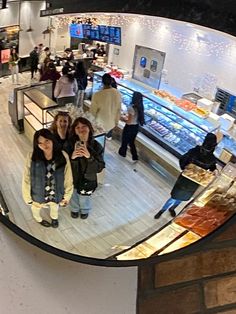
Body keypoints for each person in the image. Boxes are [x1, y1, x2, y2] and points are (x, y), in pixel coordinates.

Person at [154, 133, 218, 219]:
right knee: (176, 197)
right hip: (192, 180)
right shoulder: (211, 158)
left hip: (190, 179)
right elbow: (212, 167)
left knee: (179, 197)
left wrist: (185, 168)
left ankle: (170, 209)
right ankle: (163, 210)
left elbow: (183, 159)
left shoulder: (195, 151)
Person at [22, 129, 73, 228]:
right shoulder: (32, 156)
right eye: (40, 143)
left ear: (52, 140)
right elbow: (26, 177)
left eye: (47, 141)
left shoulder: (62, 155)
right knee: (36, 208)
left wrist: (67, 196)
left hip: (56, 192)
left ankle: (54, 218)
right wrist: (27, 197)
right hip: (37, 192)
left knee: (54, 207)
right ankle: (38, 219)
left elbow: (68, 177)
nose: (44, 145)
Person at [64, 117, 105, 219]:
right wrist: (72, 158)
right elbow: (62, 164)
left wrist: (89, 157)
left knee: (85, 197)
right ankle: (74, 209)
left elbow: (100, 167)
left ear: (89, 128)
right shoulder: (69, 145)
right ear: (74, 130)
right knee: (73, 194)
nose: (81, 129)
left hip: (88, 179)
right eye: (77, 127)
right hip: (73, 178)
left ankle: (85, 210)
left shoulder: (96, 146)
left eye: (84, 126)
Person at [90, 73, 121, 140]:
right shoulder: (118, 93)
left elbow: (92, 112)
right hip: (111, 123)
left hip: (100, 124)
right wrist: (116, 123)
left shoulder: (97, 95)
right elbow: (118, 110)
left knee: (98, 141)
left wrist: (90, 123)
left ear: (102, 82)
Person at [118, 91, 145, 162]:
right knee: (132, 142)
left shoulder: (131, 108)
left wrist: (122, 118)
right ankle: (135, 157)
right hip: (136, 127)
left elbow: (129, 121)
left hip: (129, 127)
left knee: (124, 141)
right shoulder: (140, 107)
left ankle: (122, 154)